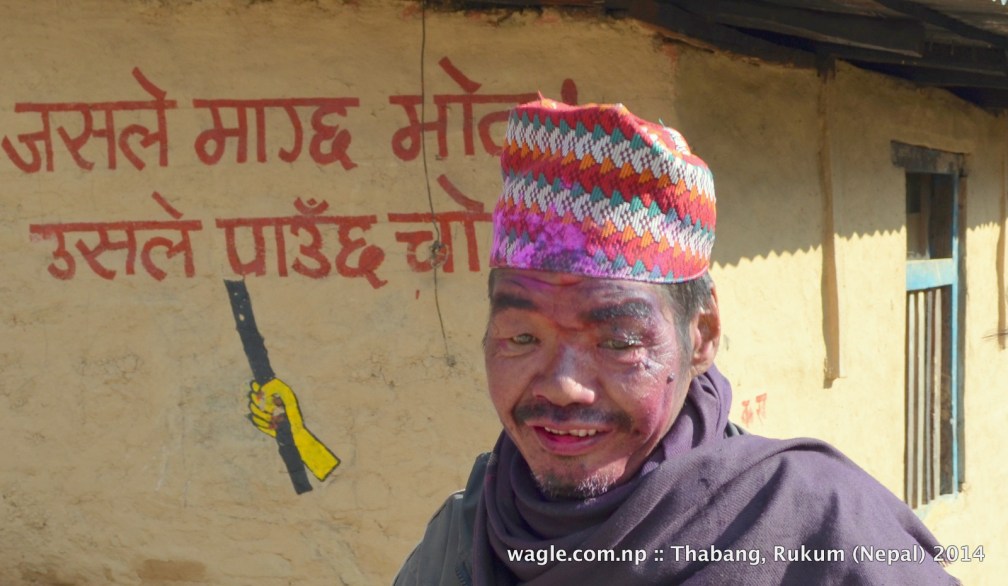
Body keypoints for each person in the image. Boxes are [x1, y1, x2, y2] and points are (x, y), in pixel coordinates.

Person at [394, 98, 958, 585]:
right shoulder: (460, 544)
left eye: (617, 341)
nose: (564, 386)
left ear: (702, 333)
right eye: (521, 336)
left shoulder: (823, 529)